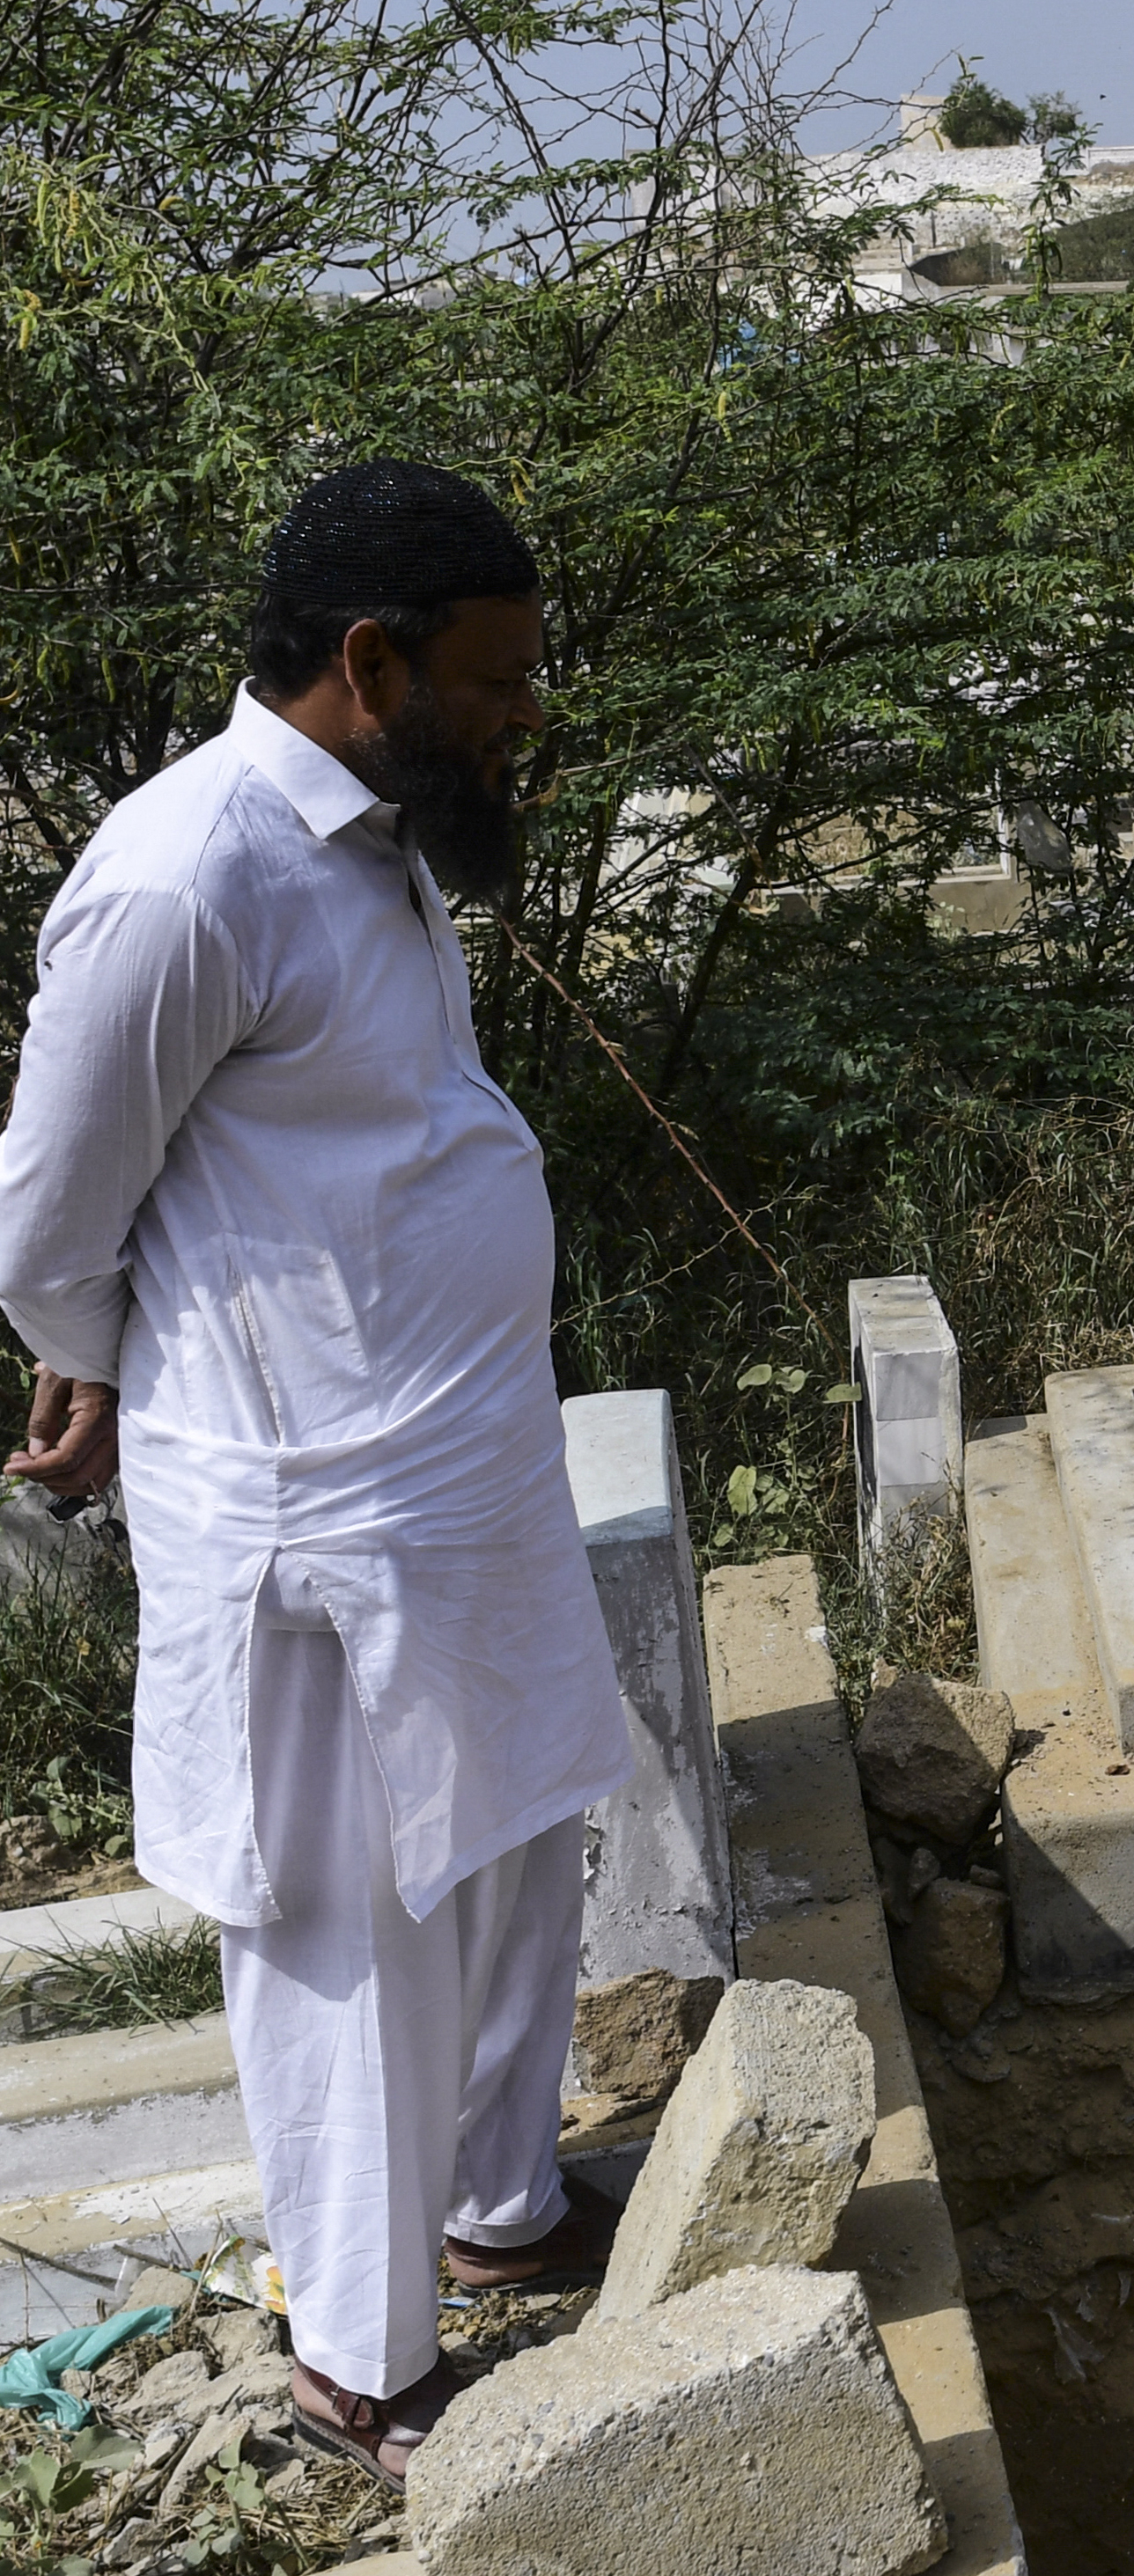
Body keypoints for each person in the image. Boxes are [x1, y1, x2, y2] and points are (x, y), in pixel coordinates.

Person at [0, 462, 634, 2484]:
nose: (525, 716)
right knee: (352, 1921)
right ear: (370, 664)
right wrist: (89, 1367)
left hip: (465, 1459)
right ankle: (363, 2366)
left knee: (530, 1823)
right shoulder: (189, 875)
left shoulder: (382, 838)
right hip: (314, 1502)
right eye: (497, 679)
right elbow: (47, 1215)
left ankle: (500, 2206)